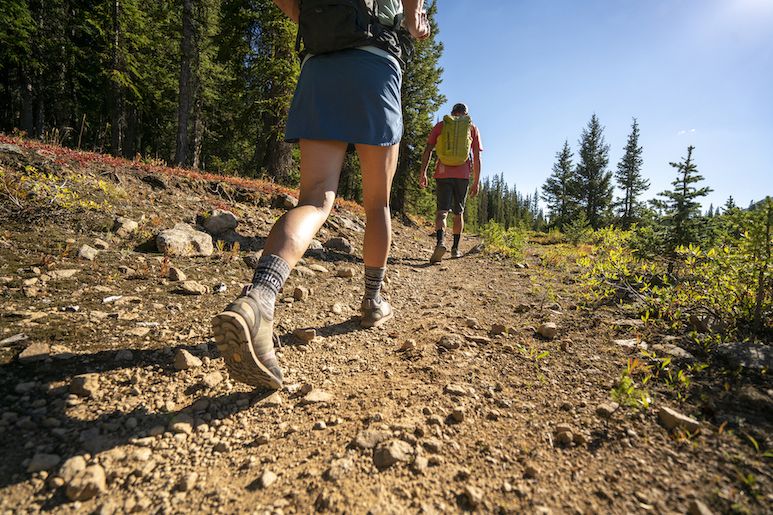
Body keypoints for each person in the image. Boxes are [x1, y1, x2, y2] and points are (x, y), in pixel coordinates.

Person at [211, 0, 430, 390]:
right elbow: (411, 19)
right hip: (376, 63)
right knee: (377, 203)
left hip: (320, 66)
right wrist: (414, 18)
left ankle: (260, 297)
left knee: (314, 198)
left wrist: (309, 18)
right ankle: (372, 300)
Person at [418, 102, 482, 262]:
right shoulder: (471, 128)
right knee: (458, 213)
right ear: (466, 114)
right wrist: (476, 181)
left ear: (452, 112)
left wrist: (423, 172)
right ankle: (455, 249)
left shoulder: (441, 125)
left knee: (442, 212)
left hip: (443, 173)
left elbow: (428, 150)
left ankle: (440, 243)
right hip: (463, 175)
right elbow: (477, 156)